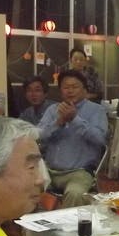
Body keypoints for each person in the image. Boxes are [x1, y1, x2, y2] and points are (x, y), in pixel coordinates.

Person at [39, 69, 108, 207]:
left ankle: (66, 222)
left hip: (79, 172)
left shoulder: (96, 110)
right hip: (49, 171)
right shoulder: (53, 110)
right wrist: (58, 123)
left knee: (75, 193)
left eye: (75, 87)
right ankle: (36, 222)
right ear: (60, 91)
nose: (70, 91)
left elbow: (100, 139)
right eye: (66, 87)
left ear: (84, 90)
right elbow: (39, 136)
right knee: (26, 187)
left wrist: (75, 119)